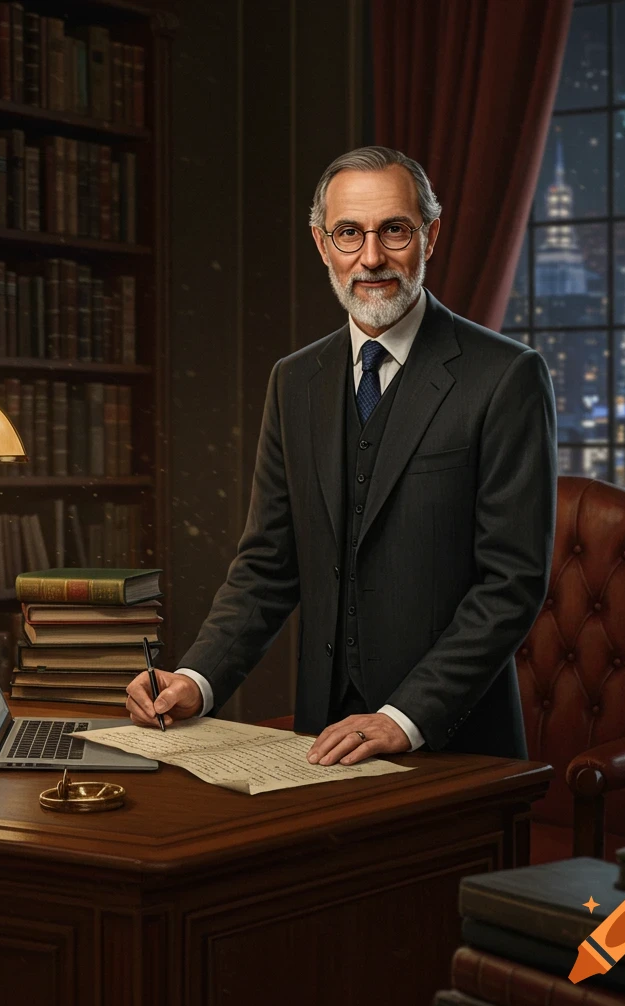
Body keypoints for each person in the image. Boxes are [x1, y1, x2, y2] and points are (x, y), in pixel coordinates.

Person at [126, 145, 556, 765]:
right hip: (318, 744)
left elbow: (512, 585)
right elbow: (267, 567)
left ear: (430, 237)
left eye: (395, 231)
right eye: (349, 233)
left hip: (454, 750)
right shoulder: (294, 380)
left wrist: (403, 719)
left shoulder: (507, 376)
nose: (372, 257)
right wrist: (196, 680)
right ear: (322, 243)